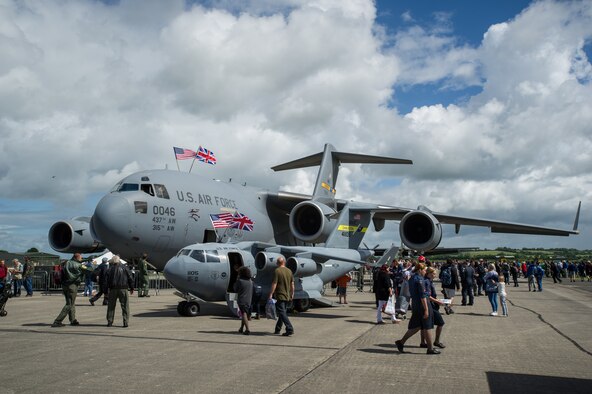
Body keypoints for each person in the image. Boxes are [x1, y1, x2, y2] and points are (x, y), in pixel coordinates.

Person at [395, 263, 439, 355]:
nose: (425, 272)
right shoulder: (419, 280)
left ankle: (401, 342)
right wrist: (426, 309)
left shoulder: (411, 278)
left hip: (415, 304)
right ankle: (430, 348)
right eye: (424, 270)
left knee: (417, 326)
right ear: (420, 270)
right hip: (422, 304)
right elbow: (423, 296)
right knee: (427, 326)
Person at [52, 253, 86, 327]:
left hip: (65, 285)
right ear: (77, 258)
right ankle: (57, 321)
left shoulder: (66, 262)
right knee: (69, 304)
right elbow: (88, 270)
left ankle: (73, 320)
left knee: (71, 302)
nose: (81, 259)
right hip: (72, 285)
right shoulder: (77, 265)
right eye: (81, 258)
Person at [268, 256, 294, 336]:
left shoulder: (277, 271)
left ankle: (289, 328)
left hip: (280, 295)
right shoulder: (289, 271)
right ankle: (277, 329)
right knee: (283, 312)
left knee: (282, 312)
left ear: (277, 263)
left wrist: (271, 293)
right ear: (284, 262)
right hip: (287, 295)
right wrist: (292, 293)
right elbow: (292, 284)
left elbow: (274, 283)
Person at [420, 267, 446, 349]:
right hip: (430, 305)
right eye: (434, 273)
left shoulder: (428, 281)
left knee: (423, 325)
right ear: (429, 273)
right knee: (440, 323)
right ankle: (436, 341)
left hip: (431, 304)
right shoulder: (427, 281)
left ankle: (423, 342)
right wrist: (437, 301)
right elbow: (427, 296)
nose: (435, 275)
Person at [106, 255, 134, 327]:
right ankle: (125, 322)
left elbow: (107, 280)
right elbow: (130, 278)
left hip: (113, 289)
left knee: (111, 306)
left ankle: (110, 321)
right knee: (125, 306)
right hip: (123, 289)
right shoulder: (125, 268)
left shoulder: (110, 269)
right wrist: (131, 288)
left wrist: (107, 289)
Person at [234, 266, 254, 335]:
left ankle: (247, 329)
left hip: (242, 300)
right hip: (249, 300)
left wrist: (237, 280)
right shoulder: (250, 281)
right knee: (244, 313)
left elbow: (235, 289)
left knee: (244, 314)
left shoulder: (240, 281)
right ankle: (241, 328)